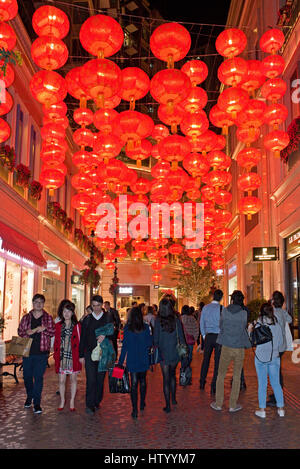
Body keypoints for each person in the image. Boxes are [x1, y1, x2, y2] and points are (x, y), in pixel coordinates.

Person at [211, 290, 251, 413]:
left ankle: (218, 403)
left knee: (221, 374)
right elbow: (244, 326)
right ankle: (233, 405)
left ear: (232, 300)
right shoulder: (244, 314)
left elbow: (221, 326)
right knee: (237, 376)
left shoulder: (224, 311)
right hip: (239, 347)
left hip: (226, 346)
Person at [18, 293, 55, 414]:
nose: (38, 304)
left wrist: (45, 329)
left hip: (42, 352)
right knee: (27, 377)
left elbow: (53, 331)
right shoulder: (26, 317)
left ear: (43, 304)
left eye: (41, 302)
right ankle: (30, 396)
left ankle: (37, 403)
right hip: (27, 352)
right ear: (33, 303)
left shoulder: (48, 317)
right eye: (36, 302)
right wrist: (28, 332)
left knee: (38, 377)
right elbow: (20, 332)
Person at [79, 295, 115, 415]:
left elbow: (113, 334)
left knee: (100, 379)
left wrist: (106, 335)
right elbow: (83, 337)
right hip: (89, 353)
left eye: (98, 305)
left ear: (102, 305)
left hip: (103, 353)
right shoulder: (87, 319)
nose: (96, 308)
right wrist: (81, 355)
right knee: (91, 379)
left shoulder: (107, 318)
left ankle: (97, 400)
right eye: (93, 306)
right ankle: (89, 404)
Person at [248, 302, 285, 418]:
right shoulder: (277, 325)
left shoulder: (258, 325)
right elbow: (280, 343)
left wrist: (250, 330)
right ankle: (281, 409)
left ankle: (262, 410)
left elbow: (252, 340)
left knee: (262, 384)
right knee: (276, 383)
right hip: (274, 357)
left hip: (260, 358)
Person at [118, 306, 153, 419]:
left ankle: (134, 409)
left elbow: (125, 347)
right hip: (143, 358)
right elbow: (149, 343)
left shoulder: (128, 328)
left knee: (133, 383)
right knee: (143, 380)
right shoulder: (146, 327)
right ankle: (142, 402)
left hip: (132, 359)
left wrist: (120, 362)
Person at [153, 298, 186, 413]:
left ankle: (167, 405)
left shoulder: (158, 321)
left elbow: (155, 339)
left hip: (163, 353)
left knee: (165, 379)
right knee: (172, 376)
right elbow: (181, 337)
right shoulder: (176, 320)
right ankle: (173, 399)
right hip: (175, 352)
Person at [53, 300, 81, 411]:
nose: (67, 313)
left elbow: (80, 341)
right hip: (61, 357)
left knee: (73, 379)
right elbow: (55, 341)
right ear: (62, 312)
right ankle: (62, 400)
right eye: (65, 311)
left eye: (69, 311)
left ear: (73, 313)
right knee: (61, 380)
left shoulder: (77, 326)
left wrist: (81, 356)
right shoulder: (58, 326)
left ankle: (72, 401)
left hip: (73, 356)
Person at [267, 290, 292, 407]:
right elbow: (290, 320)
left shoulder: (273, 313)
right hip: (281, 346)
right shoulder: (282, 312)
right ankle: (277, 394)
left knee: (275, 372)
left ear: (273, 301)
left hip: (275, 346)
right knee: (276, 370)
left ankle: (278, 397)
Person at [199, 290, 223, 394]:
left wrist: (204, 335)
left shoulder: (205, 307)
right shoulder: (222, 309)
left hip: (208, 336)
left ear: (213, 296)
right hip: (218, 336)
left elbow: (201, 322)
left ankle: (202, 382)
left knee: (206, 360)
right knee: (217, 362)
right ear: (221, 297)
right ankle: (214, 385)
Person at [181, 305, 199, 378]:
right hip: (190, 340)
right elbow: (196, 328)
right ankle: (187, 369)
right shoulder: (192, 318)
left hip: (182, 341)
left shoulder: (180, 318)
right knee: (190, 355)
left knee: (183, 356)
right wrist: (195, 337)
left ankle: (183, 371)